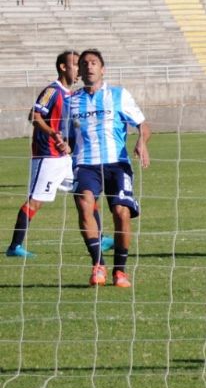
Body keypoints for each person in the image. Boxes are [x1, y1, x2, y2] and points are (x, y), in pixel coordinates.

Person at [5, 50, 112, 258]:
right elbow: (34, 115)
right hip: (47, 157)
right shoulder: (52, 91)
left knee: (85, 194)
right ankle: (14, 247)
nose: (80, 71)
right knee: (36, 200)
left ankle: (99, 238)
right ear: (63, 67)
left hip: (65, 158)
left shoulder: (72, 95)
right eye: (75, 65)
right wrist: (52, 133)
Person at [67, 49, 151, 287]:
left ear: (102, 69)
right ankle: (98, 265)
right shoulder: (71, 101)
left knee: (121, 213)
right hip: (85, 163)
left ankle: (120, 271)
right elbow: (67, 137)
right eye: (84, 64)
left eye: (94, 63)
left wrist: (141, 142)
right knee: (85, 204)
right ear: (79, 71)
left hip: (117, 163)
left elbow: (143, 125)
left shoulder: (118, 95)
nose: (89, 67)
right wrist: (64, 145)